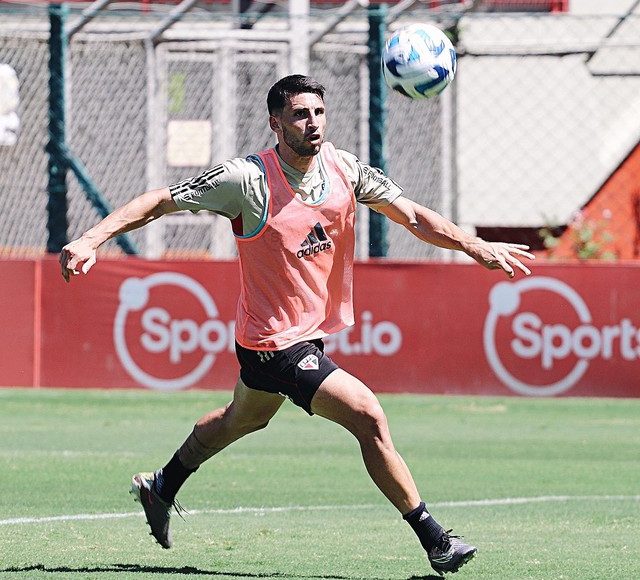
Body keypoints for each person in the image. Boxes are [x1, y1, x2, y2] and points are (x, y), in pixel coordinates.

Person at [59, 74, 533, 576]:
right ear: (276, 122)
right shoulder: (246, 180)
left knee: (241, 420)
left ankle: (161, 486)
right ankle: (435, 539)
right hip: (272, 343)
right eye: (301, 115)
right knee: (367, 415)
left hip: (296, 337)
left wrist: (473, 246)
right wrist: (92, 238)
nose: (313, 124)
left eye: (319, 113)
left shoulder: (344, 168)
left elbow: (412, 215)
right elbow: (159, 200)